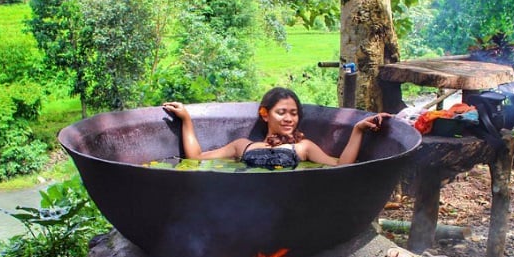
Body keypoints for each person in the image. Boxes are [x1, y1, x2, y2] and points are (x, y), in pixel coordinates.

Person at [162, 87, 390, 169]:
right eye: (281, 112)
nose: (289, 118)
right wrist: (187, 120)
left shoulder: (303, 148)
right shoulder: (243, 146)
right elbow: (196, 158)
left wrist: (358, 130)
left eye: (294, 113)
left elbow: (340, 165)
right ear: (265, 114)